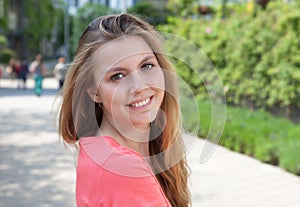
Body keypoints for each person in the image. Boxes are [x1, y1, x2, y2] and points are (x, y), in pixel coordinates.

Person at [58, 14, 190, 207]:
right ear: (95, 92)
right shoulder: (122, 168)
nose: (139, 86)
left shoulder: (99, 149)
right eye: (117, 76)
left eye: (146, 66)